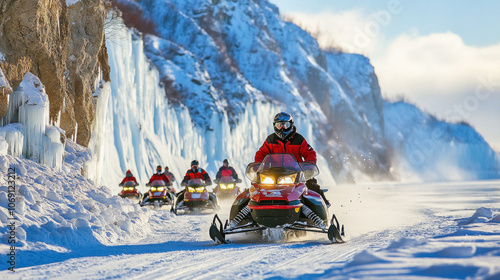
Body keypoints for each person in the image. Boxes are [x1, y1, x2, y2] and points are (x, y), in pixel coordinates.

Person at [254, 112, 330, 205]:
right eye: (279, 125)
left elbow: (310, 153)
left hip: (297, 173)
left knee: (312, 187)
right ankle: (247, 211)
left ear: (291, 125)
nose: (282, 128)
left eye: (285, 125)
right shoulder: (270, 140)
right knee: (255, 188)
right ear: (274, 126)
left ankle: (323, 207)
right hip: (274, 173)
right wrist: (259, 165)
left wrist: (308, 166)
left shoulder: (298, 139)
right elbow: (261, 154)